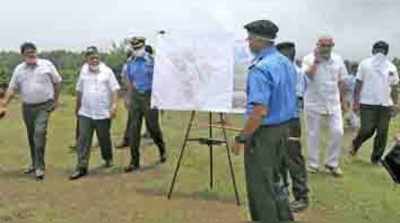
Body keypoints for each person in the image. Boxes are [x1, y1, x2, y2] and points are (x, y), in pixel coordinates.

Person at [232, 20, 296, 223]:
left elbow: (259, 111)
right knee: (276, 181)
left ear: (260, 41)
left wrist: (242, 137)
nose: (248, 43)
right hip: (283, 129)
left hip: (264, 134)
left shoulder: (260, 69)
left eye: (250, 39)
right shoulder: (285, 62)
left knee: (261, 188)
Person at [0, 42, 62, 180]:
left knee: (39, 133)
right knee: (32, 136)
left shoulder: (47, 65)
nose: (32, 55)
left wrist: (56, 100)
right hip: (27, 107)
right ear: (23, 55)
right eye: (28, 53)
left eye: (33, 52)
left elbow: (57, 82)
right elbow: (12, 89)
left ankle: (40, 167)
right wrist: (4, 104)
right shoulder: (19, 70)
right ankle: (34, 163)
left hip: (44, 106)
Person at [69, 46, 120, 180]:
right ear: (86, 59)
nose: (94, 60)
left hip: (103, 113)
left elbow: (114, 90)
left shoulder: (107, 71)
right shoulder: (83, 71)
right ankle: (81, 166)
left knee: (104, 138)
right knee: (83, 140)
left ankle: (107, 157)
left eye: (96, 57)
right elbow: (79, 90)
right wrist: (77, 107)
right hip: (85, 112)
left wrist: (114, 105)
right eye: (91, 57)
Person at [302, 36, 347, 177]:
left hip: (333, 102)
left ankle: (332, 163)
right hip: (313, 102)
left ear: (332, 46)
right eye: (323, 45)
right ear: (318, 45)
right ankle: (313, 164)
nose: (326, 48)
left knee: (337, 132)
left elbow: (342, 80)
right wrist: (316, 60)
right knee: (313, 134)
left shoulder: (338, 59)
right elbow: (308, 76)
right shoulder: (308, 58)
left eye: (329, 45)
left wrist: (343, 99)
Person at [351, 41, 399, 165]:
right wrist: (356, 102)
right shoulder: (365, 64)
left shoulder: (391, 68)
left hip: (385, 104)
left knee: (382, 132)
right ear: (373, 50)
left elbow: (394, 87)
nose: (380, 53)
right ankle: (356, 144)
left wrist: (395, 104)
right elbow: (358, 83)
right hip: (367, 103)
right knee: (367, 129)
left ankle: (376, 158)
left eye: (383, 50)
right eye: (378, 50)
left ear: (386, 52)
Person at [124, 37, 167, 172]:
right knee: (134, 130)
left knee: (153, 127)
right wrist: (128, 97)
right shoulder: (130, 62)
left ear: (144, 46)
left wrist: (160, 99)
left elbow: (160, 80)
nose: (137, 51)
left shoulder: (153, 61)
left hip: (150, 96)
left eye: (139, 48)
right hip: (136, 97)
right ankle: (134, 161)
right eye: (135, 48)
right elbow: (129, 81)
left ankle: (162, 149)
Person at [276, 42, 309, 212]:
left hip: (289, 121)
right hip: (278, 120)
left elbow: (295, 99)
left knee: (293, 158)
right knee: (278, 157)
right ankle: (282, 193)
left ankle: (301, 197)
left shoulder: (296, 72)